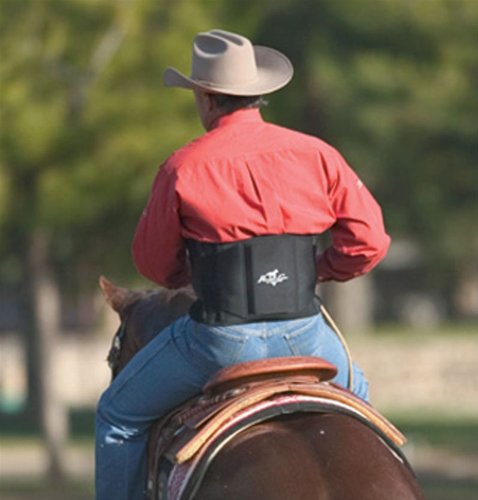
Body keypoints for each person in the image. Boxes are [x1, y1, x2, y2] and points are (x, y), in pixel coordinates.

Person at [96, 29, 390, 499]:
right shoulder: (317, 153)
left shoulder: (183, 166)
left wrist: (199, 276)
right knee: (363, 406)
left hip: (218, 343)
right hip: (306, 335)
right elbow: (369, 243)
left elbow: (155, 265)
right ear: (257, 92)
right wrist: (318, 268)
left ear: (207, 98)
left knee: (117, 416)